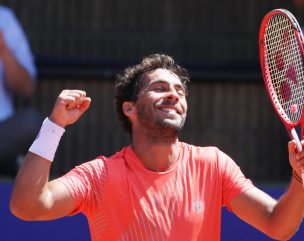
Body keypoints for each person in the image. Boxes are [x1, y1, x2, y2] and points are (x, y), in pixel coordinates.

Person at [10, 54, 304, 241]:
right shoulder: (99, 175)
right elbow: (27, 206)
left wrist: (300, 178)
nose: (174, 95)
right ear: (130, 108)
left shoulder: (213, 164)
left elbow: (278, 225)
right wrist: (54, 125)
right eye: (160, 88)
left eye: (179, 91)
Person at [0, 5, 41, 177]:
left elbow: (27, 88)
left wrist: (3, 49)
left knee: (30, 122)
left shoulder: (4, 18)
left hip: (3, 132)